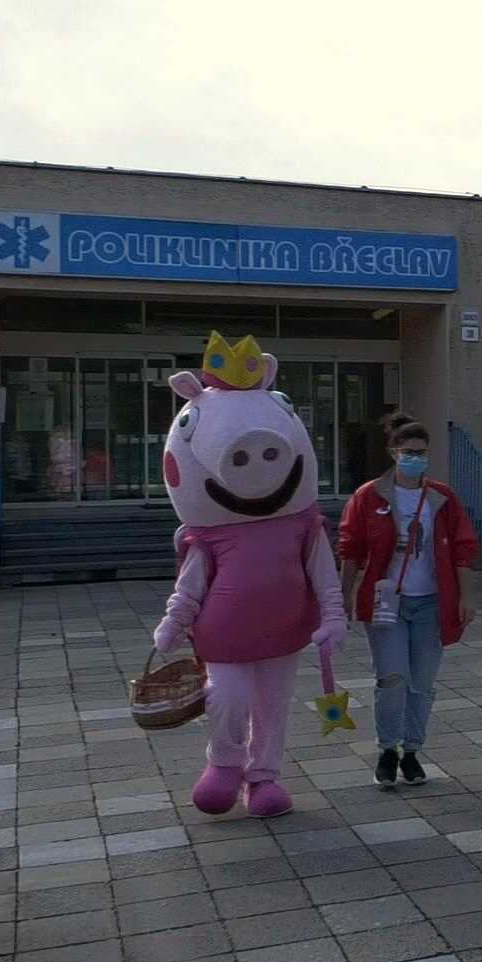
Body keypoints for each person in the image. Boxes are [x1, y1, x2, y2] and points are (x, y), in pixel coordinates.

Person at [152, 332, 346, 818]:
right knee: (228, 697)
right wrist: (174, 623)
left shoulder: (303, 524)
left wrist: (334, 616)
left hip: (285, 630)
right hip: (224, 635)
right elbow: (190, 584)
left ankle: (263, 777)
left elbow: (323, 572)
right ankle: (224, 764)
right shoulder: (210, 534)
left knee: (274, 708)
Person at [337, 412, 480, 787]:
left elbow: (463, 548)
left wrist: (466, 596)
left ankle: (412, 751)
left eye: (422, 452)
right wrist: (343, 593)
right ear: (393, 452)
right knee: (392, 678)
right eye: (409, 452)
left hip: (432, 602)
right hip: (387, 603)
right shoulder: (369, 496)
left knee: (422, 683)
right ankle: (387, 749)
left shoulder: (441, 497)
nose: (416, 458)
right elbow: (351, 548)